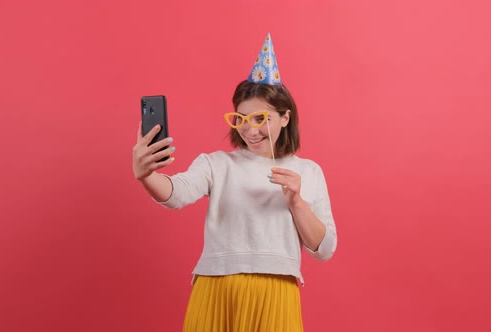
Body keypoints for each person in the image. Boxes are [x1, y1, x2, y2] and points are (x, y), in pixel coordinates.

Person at [132, 33, 337, 332]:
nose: (249, 130)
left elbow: (324, 248)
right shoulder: (217, 164)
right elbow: (176, 193)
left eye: (260, 118)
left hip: (276, 291)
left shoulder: (308, 172)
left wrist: (296, 202)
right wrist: (147, 175)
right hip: (215, 288)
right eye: (241, 119)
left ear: (284, 117)